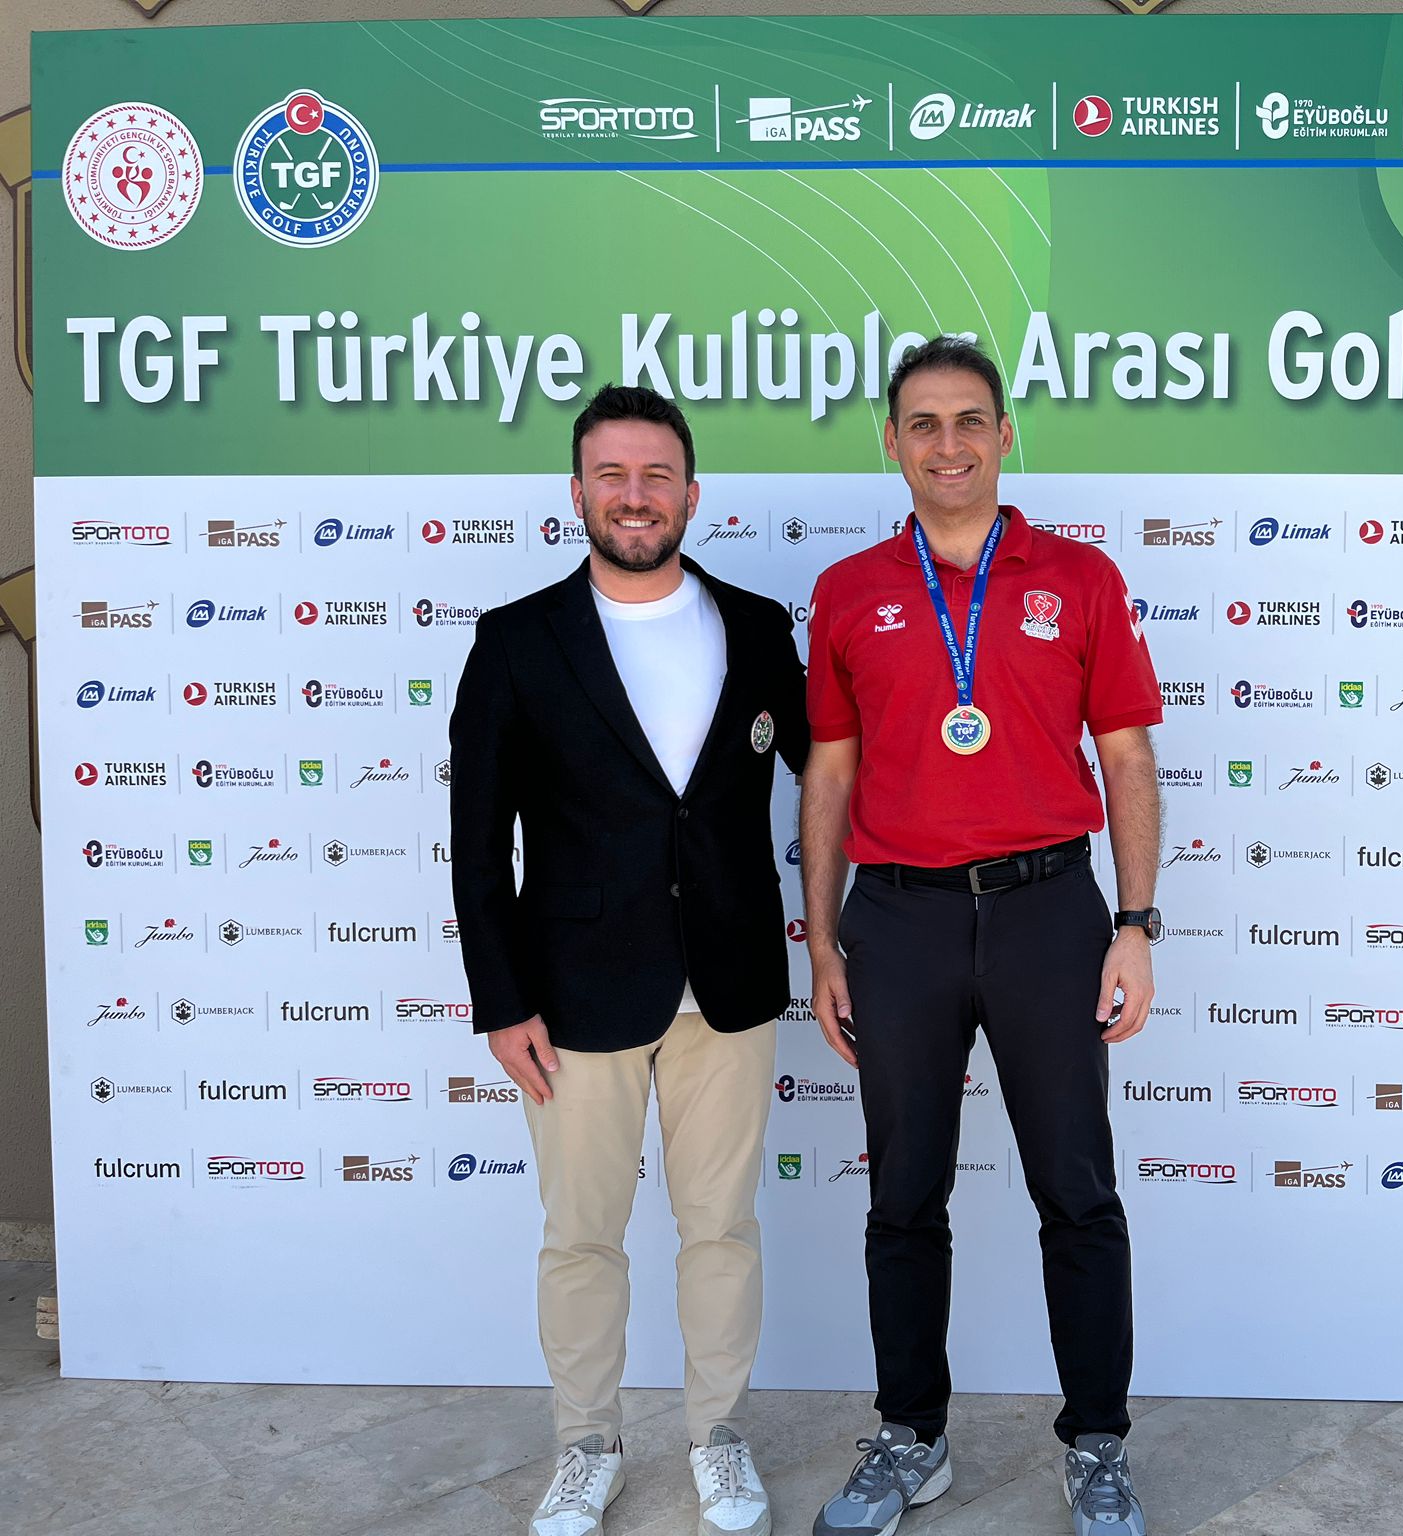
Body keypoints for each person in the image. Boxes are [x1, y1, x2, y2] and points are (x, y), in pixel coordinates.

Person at [799, 337, 1164, 1536]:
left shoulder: (1080, 577)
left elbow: (1123, 755)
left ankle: (1096, 1442)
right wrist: (823, 946)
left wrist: (1133, 923)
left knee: (1076, 1190)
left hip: (1046, 911)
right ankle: (910, 1437)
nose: (946, 444)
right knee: (903, 1195)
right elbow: (829, 772)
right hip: (897, 919)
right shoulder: (849, 590)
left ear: (1005, 436)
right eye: (922, 423)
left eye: (969, 420)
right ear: (890, 442)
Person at [450, 384, 807, 1536]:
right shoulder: (515, 641)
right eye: (612, 474)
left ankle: (718, 1438)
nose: (635, 495)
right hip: (571, 996)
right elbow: (476, 843)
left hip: (731, 984)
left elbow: (833, 775)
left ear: (692, 494)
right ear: (577, 493)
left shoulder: (759, 627)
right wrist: (501, 1001)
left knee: (722, 1230)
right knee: (580, 1238)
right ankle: (586, 1444)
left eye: (656, 475)